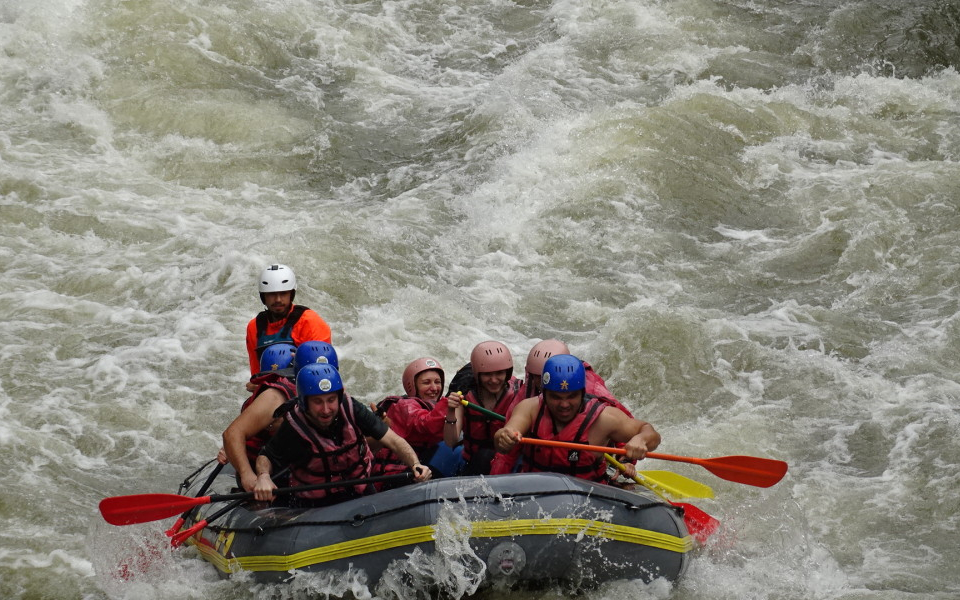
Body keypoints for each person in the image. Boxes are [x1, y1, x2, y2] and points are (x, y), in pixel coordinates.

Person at [253, 363, 431, 506]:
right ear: (304, 402)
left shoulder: (351, 407)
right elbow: (266, 456)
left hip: (361, 490)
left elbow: (392, 439)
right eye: (317, 402)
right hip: (317, 504)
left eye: (331, 400)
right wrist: (263, 477)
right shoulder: (294, 427)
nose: (326, 409)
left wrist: (415, 464)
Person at [493, 354, 660, 484]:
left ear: (582, 392)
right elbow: (507, 431)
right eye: (556, 397)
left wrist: (641, 439)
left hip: (587, 498)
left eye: (572, 396)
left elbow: (649, 433)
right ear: (544, 393)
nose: (564, 404)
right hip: (534, 493)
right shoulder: (529, 408)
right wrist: (504, 437)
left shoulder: (605, 418)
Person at [218, 342, 339, 491]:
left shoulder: (334, 394)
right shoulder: (274, 397)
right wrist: (247, 476)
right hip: (272, 474)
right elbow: (232, 434)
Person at [370, 357, 463, 485]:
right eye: (426, 383)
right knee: (450, 450)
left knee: (461, 448)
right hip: (394, 475)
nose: (434, 388)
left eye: (437, 382)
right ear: (412, 386)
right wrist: (448, 404)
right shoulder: (404, 406)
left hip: (421, 468)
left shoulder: (435, 405)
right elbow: (427, 424)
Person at [245, 264, 332, 383]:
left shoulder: (309, 321)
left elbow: (323, 372)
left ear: (291, 294)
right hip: (270, 389)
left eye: (283, 293)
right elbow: (256, 375)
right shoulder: (254, 327)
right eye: (272, 294)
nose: (278, 300)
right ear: (263, 296)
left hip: (306, 387)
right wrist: (256, 385)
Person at [452, 340, 524, 475]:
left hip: (509, 462)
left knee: (485, 456)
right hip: (473, 459)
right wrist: (451, 411)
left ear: (507, 373)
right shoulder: (464, 395)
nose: (494, 380)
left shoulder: (519, 393)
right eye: (487, 374)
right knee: (484, 456)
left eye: (499, 373)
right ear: (477, 374)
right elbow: (451, 441)